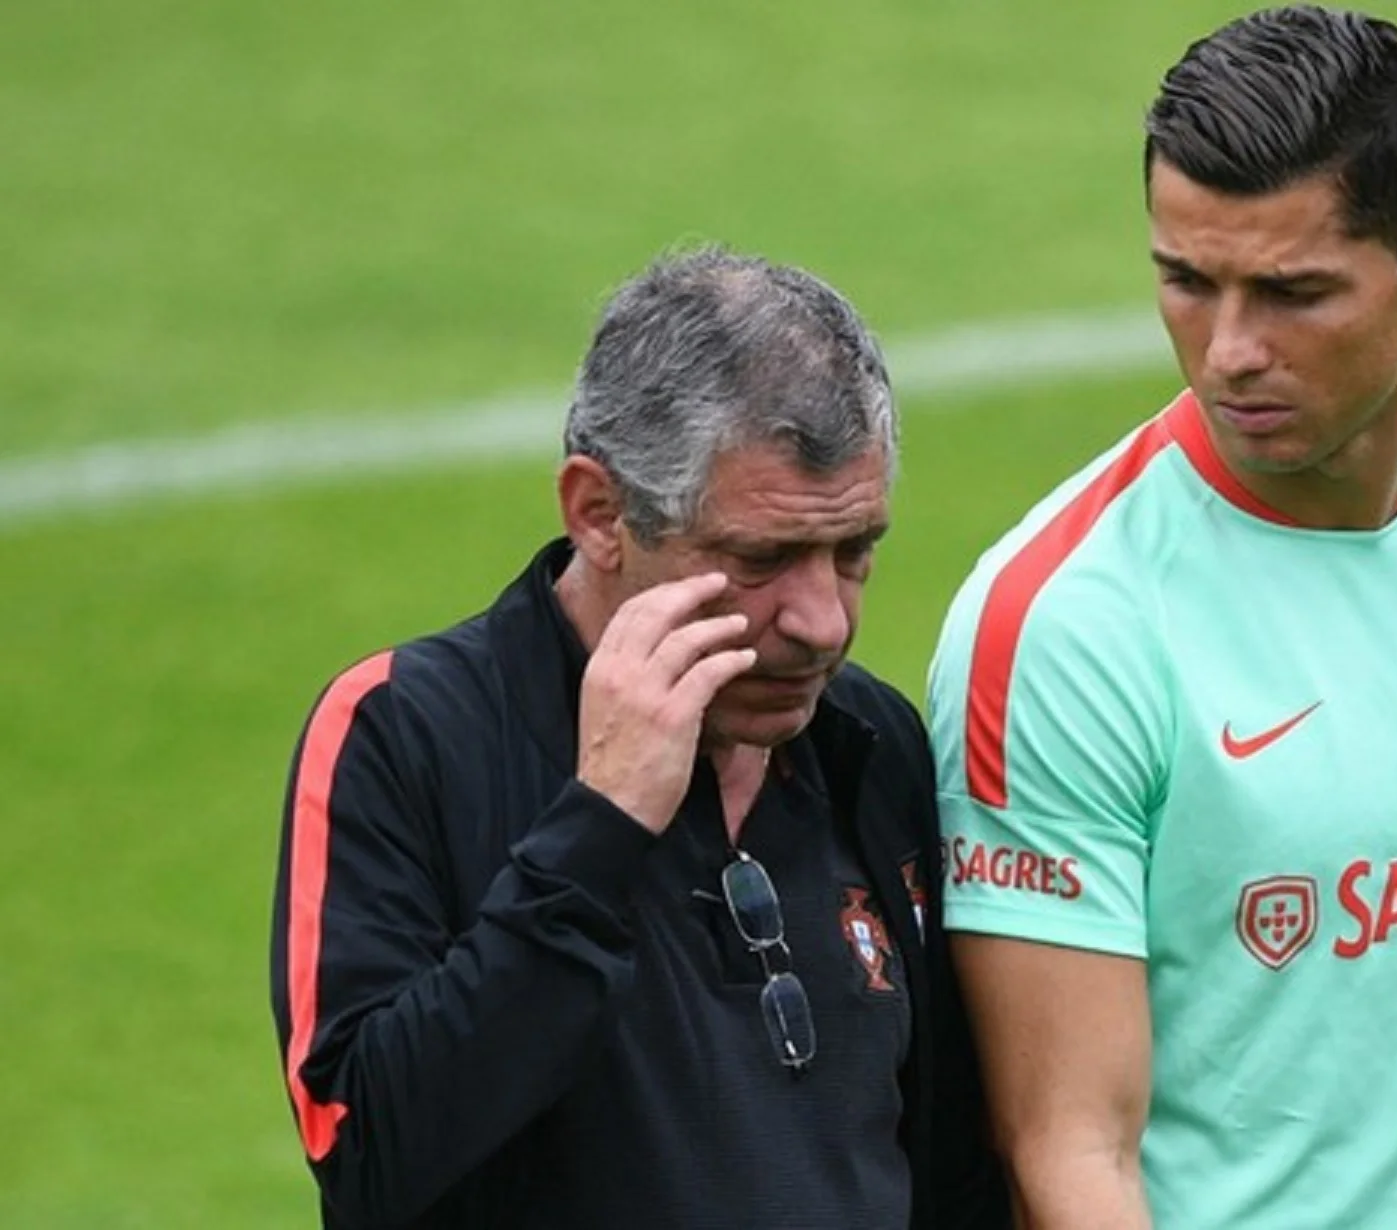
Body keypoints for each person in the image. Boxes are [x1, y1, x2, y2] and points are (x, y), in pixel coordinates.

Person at [925, 7, 1397, 1228]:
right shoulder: (1065, 626)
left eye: (1293, 292)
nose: (1230, 353)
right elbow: (1069, 1148)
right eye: (1187, 282)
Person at [270, 247, 1008, 1229]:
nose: (822, 621)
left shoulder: (871, 744)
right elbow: (370, 1158)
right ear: (600, 514)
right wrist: (598, 828)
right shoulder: (404, 734)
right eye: (762, 559)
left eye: (853, 550)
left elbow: (954, 1168)